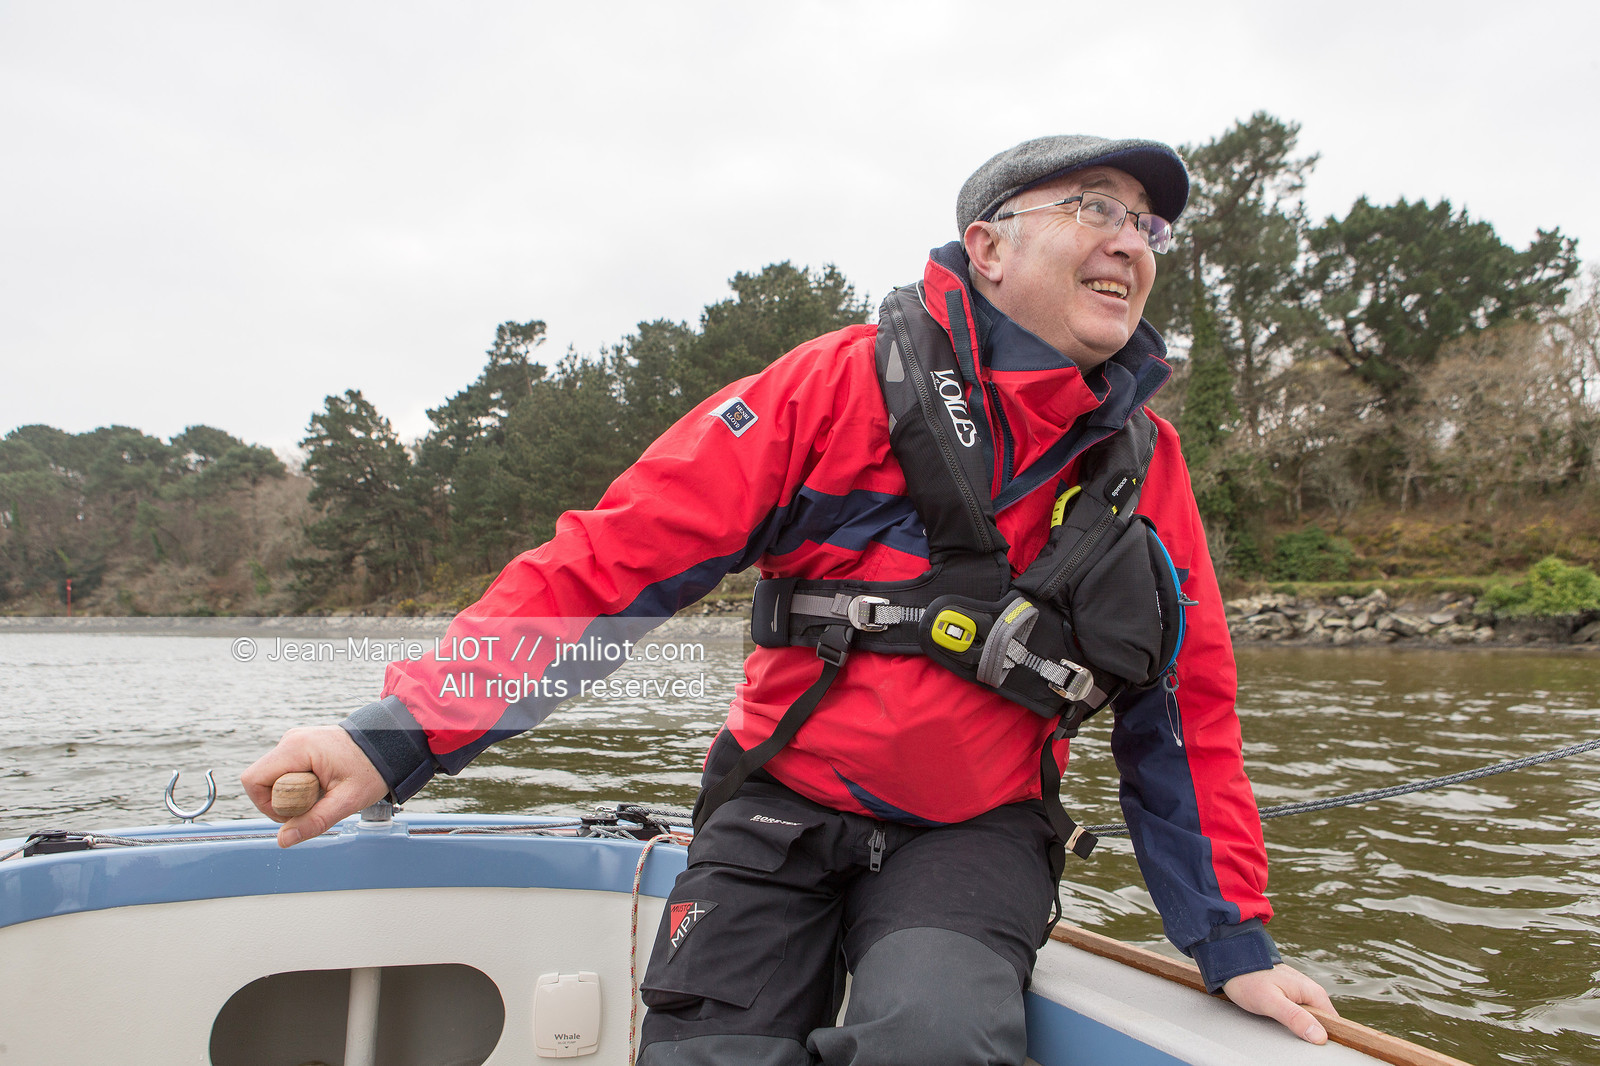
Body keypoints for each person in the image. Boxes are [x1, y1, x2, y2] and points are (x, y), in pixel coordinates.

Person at [243, 134, 1338, 1065]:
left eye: (1148, 227)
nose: (1129, 241)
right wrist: (394, 737)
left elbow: (1184, 714)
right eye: (1097, 207)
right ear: (989, 247)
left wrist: (1232, 941)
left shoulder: (1148, 465)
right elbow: (606, 569)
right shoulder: (831, 385)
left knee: (937, 1037)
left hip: (973, 833)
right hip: (777, 803)